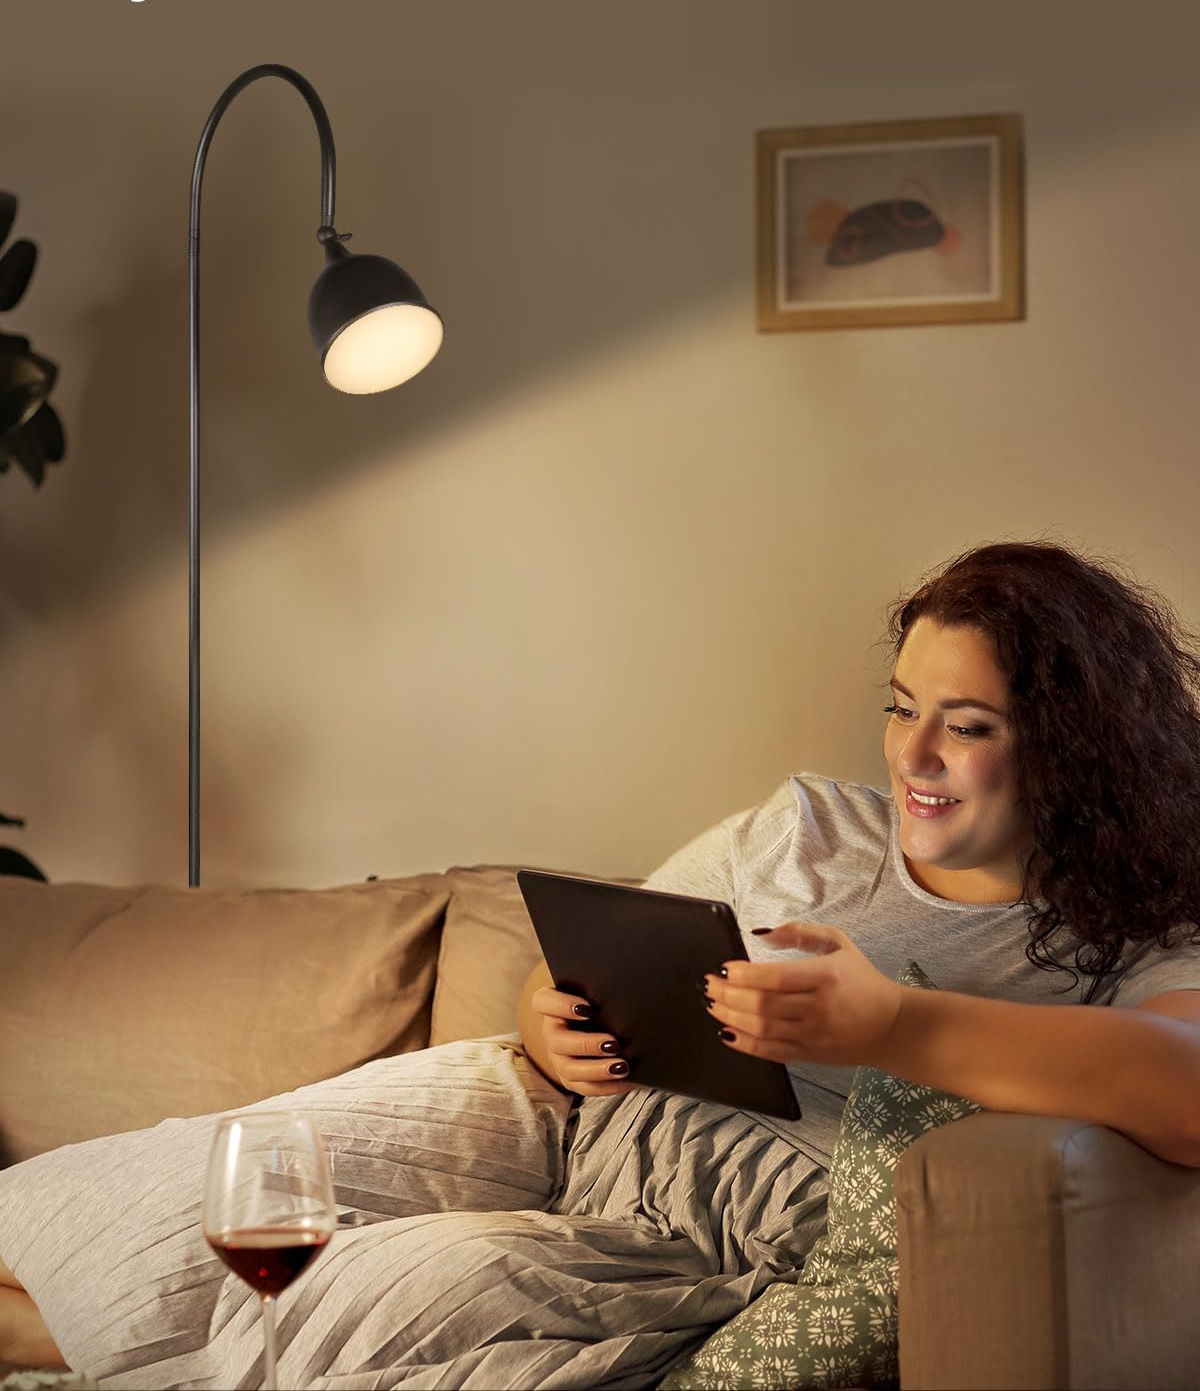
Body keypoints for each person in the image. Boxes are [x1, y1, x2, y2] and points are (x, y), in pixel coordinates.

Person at [4, 540, 1200, 1389]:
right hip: (551, 1105)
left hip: (697, 1204)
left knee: (364, 1291)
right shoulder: (808, 829)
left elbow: (1185, 1088)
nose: (914, 754)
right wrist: (546, 1018)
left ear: (1072, 747)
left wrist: (887, 1026)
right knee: (187, 1192)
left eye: (969, 725)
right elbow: (583, 959)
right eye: (900, 709)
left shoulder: (1135, 934)